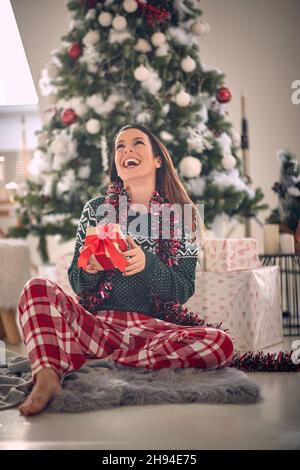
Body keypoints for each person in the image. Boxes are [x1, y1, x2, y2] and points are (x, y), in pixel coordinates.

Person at [17, 124, 234, 416]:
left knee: (219, 343)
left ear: (158, 159)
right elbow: (77, 283)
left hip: (153, 333)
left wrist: (148, 264)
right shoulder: (95, 209)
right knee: (35, 288)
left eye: (137, 143)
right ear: (116, 164)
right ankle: (47, 376)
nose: (127, 150)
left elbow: (183, 290)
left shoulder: (184, 215)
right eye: (120, 146)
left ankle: (105, 364)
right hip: (98, 327)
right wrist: (90, 268)